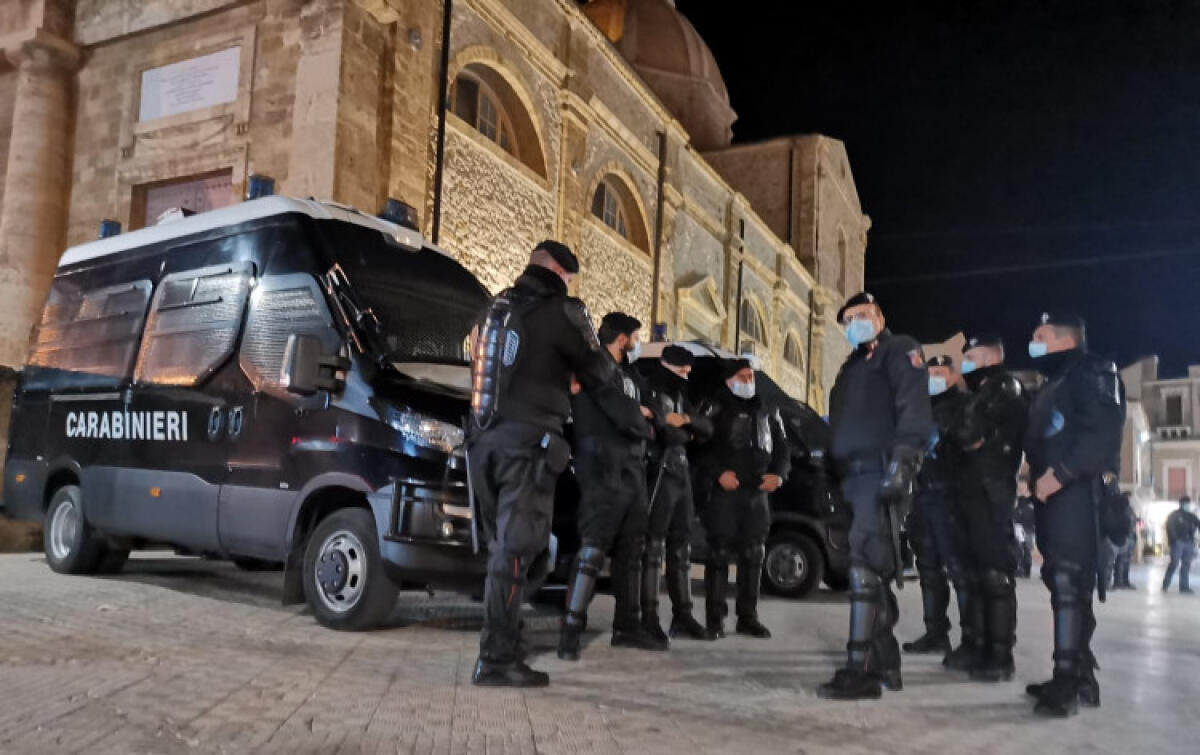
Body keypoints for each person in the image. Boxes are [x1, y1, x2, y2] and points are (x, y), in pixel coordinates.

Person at [467, 240, 629, 687]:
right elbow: (602, 373)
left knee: (514, 552)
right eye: (569, 278)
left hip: (484, 444)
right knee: (518, 554)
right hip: (528, 446)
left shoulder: (492, 307)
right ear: (560, 272)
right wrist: (574, 377)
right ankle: (496, 658)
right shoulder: (564, 310)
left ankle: (507, 642)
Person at [818, 292, 935, 701]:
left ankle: (860, 670)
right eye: (849, 319)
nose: (856, 323)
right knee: (870, 570)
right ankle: (886, 664)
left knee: (865, 571)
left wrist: (903, 465)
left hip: (879, 474)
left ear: (881, 317)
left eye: (863, 315)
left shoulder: (899, 351)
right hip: (851, 479)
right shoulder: (851, 367)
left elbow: (914, 411)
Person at [1022, 312, 1125, 717]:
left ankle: (1067, 685)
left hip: (1077, 495)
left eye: (1040, 335)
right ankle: (1079, 675)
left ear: (1064, 339)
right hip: (1052, 497)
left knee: (1069, 583)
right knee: (1061, 584)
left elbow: (1103, 435)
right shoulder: (1055, 383)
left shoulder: (1094, 371)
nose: (1033, 341)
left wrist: (1060, 475)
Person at [558, 312, 664, 660]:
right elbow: (624, 413)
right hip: (603, 468)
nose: (638, 344)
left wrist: (648, 417)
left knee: (632, 550)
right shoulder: (595, 366)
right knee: (593, 549)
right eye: (635, 338)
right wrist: (642, 416)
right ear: (622, 339)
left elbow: (653, 411)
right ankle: (570, 632)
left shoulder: (627, 373)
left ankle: (627, 627)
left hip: (632, 470)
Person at [948, 334, 1028, 683]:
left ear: (993, 355)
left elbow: (968, 434)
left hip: (992, 493)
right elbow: (960, 434)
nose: (967, 361)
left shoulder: (1005, 388)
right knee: (973, 574)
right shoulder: (978, 393)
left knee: (995, 576)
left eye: (973, 356)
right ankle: (976, 645)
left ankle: (999, 654)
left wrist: (965, 434)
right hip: (969, 491)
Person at [696, 359, 789, 640]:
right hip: (726, 491)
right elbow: (699, 448)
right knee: (719, 554)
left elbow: (783, 449)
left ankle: (748, 617)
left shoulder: (768, 408)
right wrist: (718, 473)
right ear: (729, 380)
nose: (749, 380)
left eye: (751, 376)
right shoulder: (714, 407)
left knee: (754, 554)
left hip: (757, 493)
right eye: (742, 376)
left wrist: (779, 475)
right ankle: (715, 619)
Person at [641, 344, 715, 642]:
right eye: (681, 371)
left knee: (681, 546)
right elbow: (665, 432)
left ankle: (682, 615)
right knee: (653, 547)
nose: (686, 376)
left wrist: (685, 421)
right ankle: (648, 617)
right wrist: (687, 431)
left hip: (680, 472)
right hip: (659, 470)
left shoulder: (681, 396)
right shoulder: (653, 390)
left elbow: (707, 428)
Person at [902, 355, 967, 657]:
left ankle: (970, 640)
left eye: (940, 373)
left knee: (959, 570)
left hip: (952, 497)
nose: (934, 379)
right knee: (927, 567)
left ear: (953, 376)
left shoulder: (964, 407)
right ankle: (935, 632)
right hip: (924, 495)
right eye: (930, 374)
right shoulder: (922, 409)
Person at [1162, 496, 1200, 594]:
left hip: (1189, 543)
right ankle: (1166, 584)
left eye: (1188, 503)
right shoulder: (1174, 515)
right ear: (1181, 504)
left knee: (1186, 565)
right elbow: (1169, 527)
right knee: (1174, 563)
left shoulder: (1191, 516)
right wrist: (1174, 540)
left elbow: (1198, 524)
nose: (1187, 505)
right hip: (1178, 543)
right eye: (1186, 503)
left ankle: (1184, 587)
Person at [1014, 488, 1037, 579]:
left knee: (1019, 551)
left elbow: (1015, 521)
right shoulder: (1031, 510)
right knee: (1028, 552)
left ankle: (1021, 569)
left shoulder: (1017, 510)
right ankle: (1027, 571)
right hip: (1030, 532)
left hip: (1019, 532)